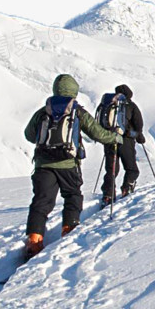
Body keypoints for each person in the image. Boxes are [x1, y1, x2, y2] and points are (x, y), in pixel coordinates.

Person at [23, 74, 121, 259]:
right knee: (72, 195)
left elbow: (29, 134)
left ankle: (34, 240)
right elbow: (97, 133)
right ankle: (69, 230)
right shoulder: (77, 112)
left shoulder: (43, 112)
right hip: (68, 164)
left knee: (41, 201)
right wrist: (115, 137)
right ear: (73, 91)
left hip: (43, 164)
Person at [101, 84, 146, 205]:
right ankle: (127, 187)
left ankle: (107, 195)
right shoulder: (130, 105)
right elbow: (138, 124)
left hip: (110, 140)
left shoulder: (109, 105)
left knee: (111, 170)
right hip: (125, 141)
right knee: (132, 169)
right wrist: (139, 136)